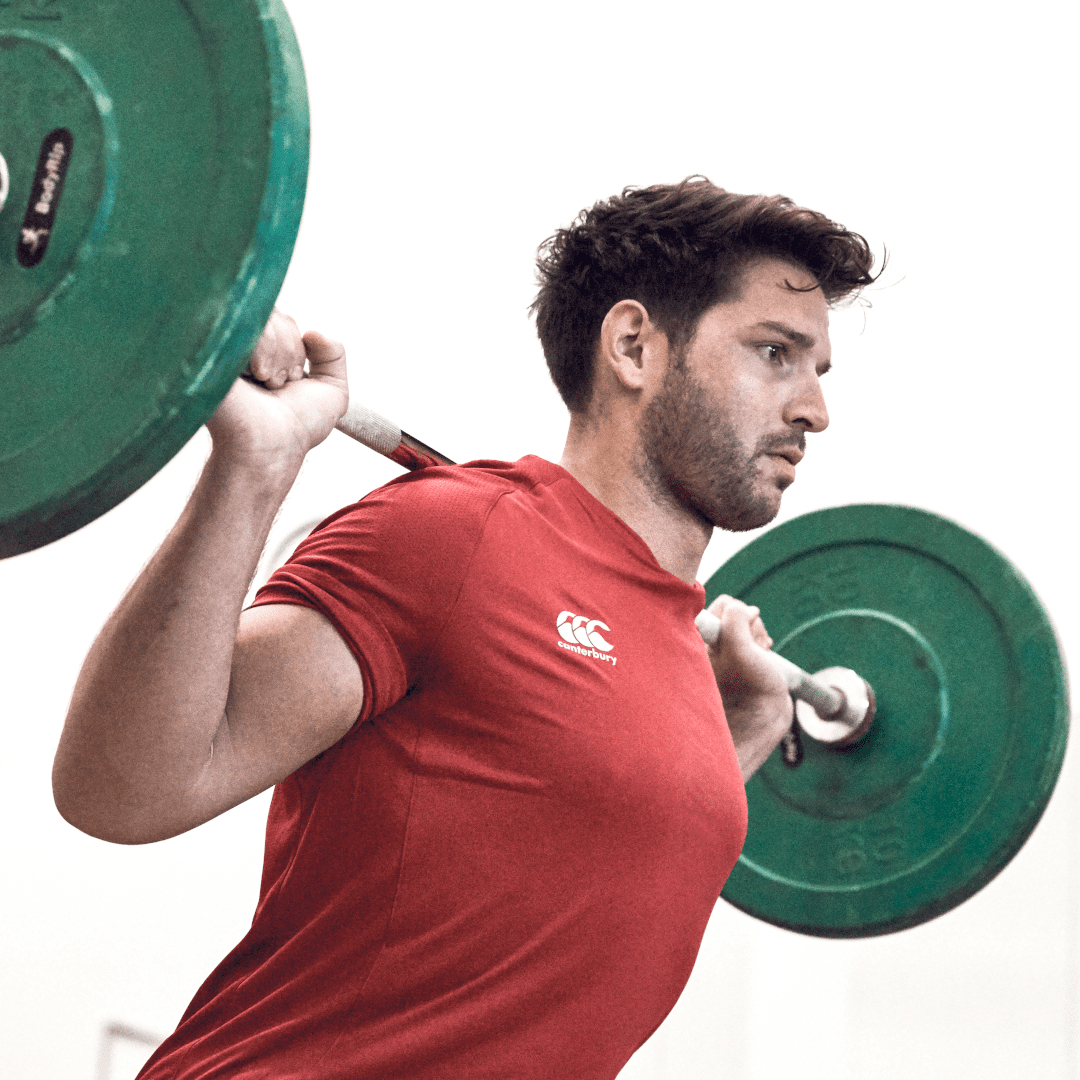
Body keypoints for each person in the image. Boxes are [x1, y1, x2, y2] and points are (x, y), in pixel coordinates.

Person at [54, 178, 876, 1078]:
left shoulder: (681, 650)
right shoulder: (455, 537)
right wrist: (255, 465)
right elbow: (124, 789)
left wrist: (745, 732)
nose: (813, 410)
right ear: (636, 346)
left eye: (817, 371)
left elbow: (590, 849)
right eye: (774, 353)